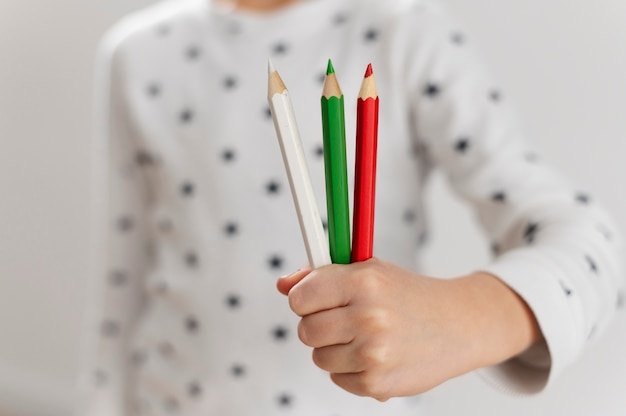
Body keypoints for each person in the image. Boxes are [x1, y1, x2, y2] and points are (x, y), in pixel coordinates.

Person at [79, 0, 625, 414]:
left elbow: (594, 247)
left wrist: (463, 316)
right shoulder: (137, 52)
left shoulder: (402, 27)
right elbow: (122, 280)